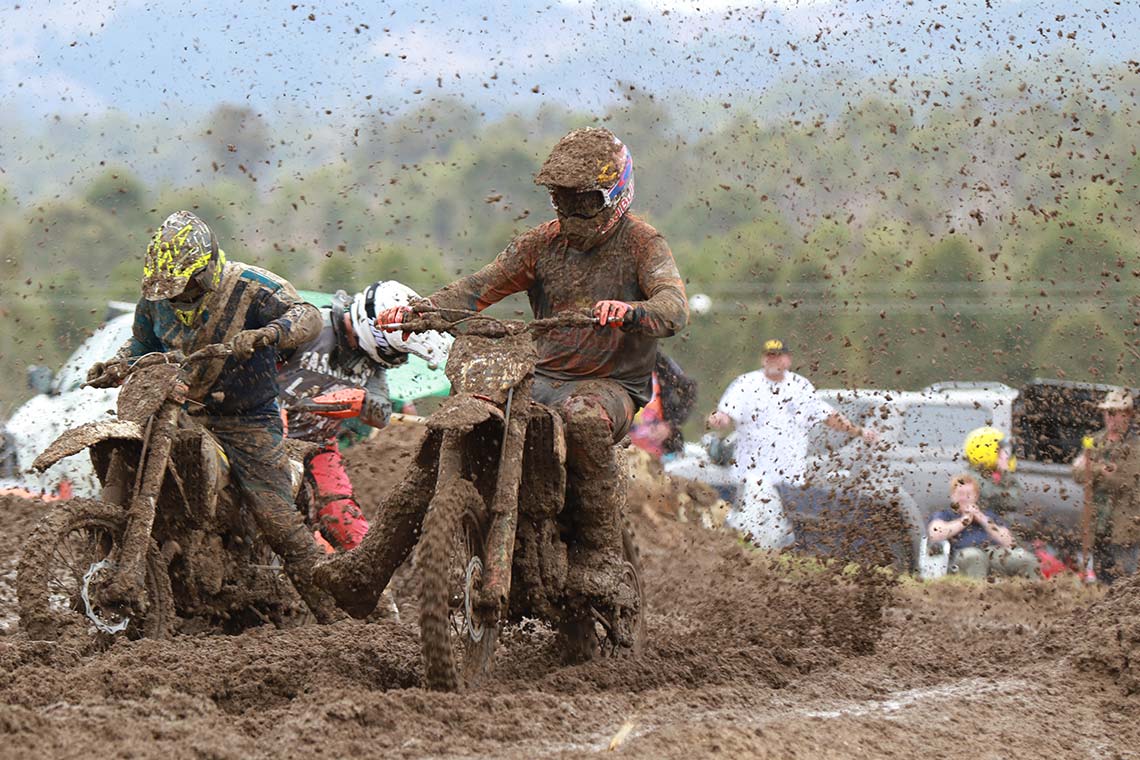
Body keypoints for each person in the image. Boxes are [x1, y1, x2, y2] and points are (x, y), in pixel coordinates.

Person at [316, 126, 688, 614]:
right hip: (541, 374)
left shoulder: (642, 243)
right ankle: (368, 567)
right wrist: (422, 309)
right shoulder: (541, 245)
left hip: (611, 384)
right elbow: (479, 287)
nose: (572, 214)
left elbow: (674, 305)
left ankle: (598, 555)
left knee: (583, 422)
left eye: (585, 201)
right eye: (563, 201)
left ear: (615, 194)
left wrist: (632, 311)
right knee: (450, 439)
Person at [86, 210, 338, 620]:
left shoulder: (252, 287)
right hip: (179, 411)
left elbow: (308, 315)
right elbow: (141, 345)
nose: (174, 296)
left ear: (205, 273)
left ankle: (337, 617)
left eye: (182, 287)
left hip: (246, 419)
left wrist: (269, 333)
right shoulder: (155, 301)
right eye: (167, 289)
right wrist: (116, 365)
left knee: (278, 522)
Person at [277, 281, 450, 552]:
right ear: (374, 326)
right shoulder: (312, 326)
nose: (392, 358)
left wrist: (360, 401)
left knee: (347, 523)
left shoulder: (373, 364)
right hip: (269, 431)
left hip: (319, 445)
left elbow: (382, 414)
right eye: (393, 349)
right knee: (273, 511)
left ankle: (369, 586)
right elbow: (259, 364)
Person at [706, 338, 878, 550]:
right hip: (751, 474)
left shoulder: (800, 387)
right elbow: (725, 414)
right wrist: (718, 420)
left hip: (789, 477)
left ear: (787, 359)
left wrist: (858, 430)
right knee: (748, 530)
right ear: (763, 358)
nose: (772, 360)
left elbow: (828, 415)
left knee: (785, 535)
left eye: (777, 355)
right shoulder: (746, 384)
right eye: (769, 355)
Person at [1071, 389, 1140, 583]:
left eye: (1113, 412)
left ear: (1126, 415)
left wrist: (1091, 469)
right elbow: (1077, 472)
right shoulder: (1096, 441)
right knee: (1103, 575)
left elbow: (1123, 479)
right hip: (1099, 523)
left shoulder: (1136, 445)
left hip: (1125, 524)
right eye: (1106, 412)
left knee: (1126, 576)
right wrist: (1101, 469)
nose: (1109, 417)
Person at [927, 473, 1038, 579]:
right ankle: (977, 596)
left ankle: (1036, 595)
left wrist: (982, 519)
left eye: (969, 494)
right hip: (963, 554)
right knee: (975, 557)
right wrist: (964, 520)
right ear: (953, 496)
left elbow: (1009, 541)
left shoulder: (988, 515)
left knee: (1027, 559)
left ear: (976, 496)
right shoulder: (945, 514)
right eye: (960, 494)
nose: (965, 498)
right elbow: (935, 534)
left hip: (993, 552)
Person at [629, 351, 697, 460]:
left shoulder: (659, 362)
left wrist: (670, 424)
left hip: (658, 457)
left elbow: (689, 389)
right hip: (621, 450)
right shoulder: (608, 361)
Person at [963, 426, 1022, 516]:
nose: (1006, 456)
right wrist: (1004, 474)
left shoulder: (1001, 474)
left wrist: (1004, 473)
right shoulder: (972, 476)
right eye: (1002, 451)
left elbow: (1015, 499)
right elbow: (991, 497)